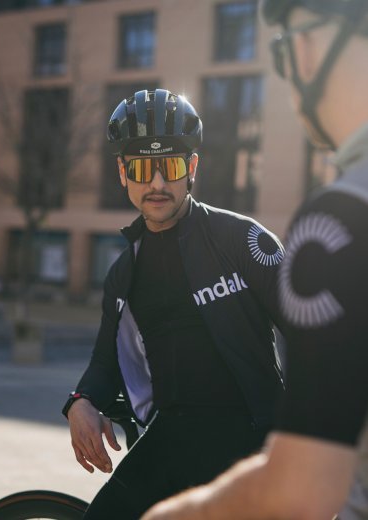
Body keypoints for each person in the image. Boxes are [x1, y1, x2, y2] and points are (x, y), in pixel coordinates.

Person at [142, 1, 368, 519]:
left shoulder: (339, 222)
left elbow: (300, 490)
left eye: (281, 53)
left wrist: (178, 516)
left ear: (306, 49)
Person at [61, 88, 286, 519]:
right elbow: (104, 364)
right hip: (170, 443)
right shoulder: (124, 272)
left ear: (192, 168)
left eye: (171, 166)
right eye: (143, 168)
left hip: (253, 445)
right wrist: (80, 402)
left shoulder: (242, 241)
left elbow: (315, 334)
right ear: (123, 173)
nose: (158, 183)